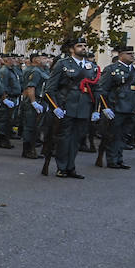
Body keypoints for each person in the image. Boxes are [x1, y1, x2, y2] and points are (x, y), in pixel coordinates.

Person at [44, 38, 96, 179]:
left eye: (85, 45)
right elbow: (50, 89)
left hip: (83, 108)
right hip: (66, 106)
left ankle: (70, 167)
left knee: (76, 140)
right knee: (64, 139)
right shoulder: (63, 64)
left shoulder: (92, 66)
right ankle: (61, 168)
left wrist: (96, 109)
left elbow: (96, 89)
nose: (84, 48)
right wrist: (55, 107)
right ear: (72, 49)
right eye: (80, 46)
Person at [97, 46, 135, 169]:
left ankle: (119, 159)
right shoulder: (111, 69)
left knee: (124, 135)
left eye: (133, 53)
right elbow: (102, 89)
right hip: (116, 107)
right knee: (113, 135)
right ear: (120, 55)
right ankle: (112, 160)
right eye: (129, 53)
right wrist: (105, 107)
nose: (132, 56)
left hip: (131, 108)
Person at [20, 52, 50, 159]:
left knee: (36, 127)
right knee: (30, 126)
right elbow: (31, 88)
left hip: (41, 100)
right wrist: (33, 102)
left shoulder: (44, 71)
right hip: (34, 100)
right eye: (44, 58)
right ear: (36, 60)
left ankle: (32, 149)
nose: (47, 60)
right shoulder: (36, 71)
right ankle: (27, 150)